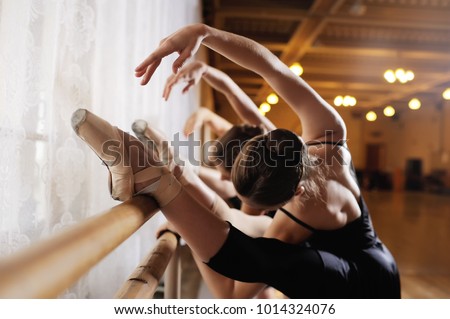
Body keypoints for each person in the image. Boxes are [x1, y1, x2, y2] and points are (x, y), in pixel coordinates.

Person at [72, 23, 400, 298]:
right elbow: (270, 66)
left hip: (363, 287)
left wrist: (182, 223)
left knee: (245, 255)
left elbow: (231, 294)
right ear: (260, 137)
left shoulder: (297, 216)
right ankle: (172, 170)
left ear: (294, 196)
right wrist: (202, 33)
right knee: (237, 224)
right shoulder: (329, 134)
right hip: (372, 252)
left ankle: (154, 178)